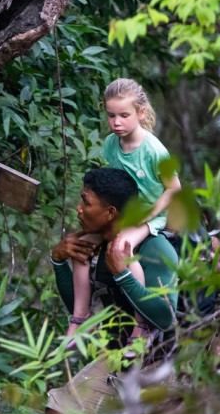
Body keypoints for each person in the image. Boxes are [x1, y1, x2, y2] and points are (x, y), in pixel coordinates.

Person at [46, 167, 179, 414]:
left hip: (158, 365)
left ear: (110, 213)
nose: (79, 208)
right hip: (117, 358)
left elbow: (165, 318)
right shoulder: (98, 243)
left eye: (86, 202)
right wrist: (59, 260)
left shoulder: (155, 249)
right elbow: (79, 306)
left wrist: (123, 275)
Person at [68, 78, 181, 346]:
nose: (116, 122)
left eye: (124, 115)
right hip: (123, 215)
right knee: (80, 248)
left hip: (149, 216)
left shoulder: (153, 150)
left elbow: (174, 188)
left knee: (123, 246)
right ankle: (79, 317)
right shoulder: (111, 144)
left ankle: (140, 323)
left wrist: (147, 215)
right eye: (111, 115)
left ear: (140, 113)